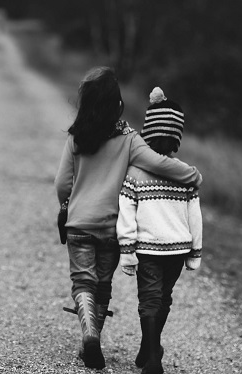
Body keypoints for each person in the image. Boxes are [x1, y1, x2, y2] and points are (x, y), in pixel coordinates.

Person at [54, 68, 202, 370]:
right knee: (103, 285)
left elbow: (61, 184)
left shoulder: (76, 138)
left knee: (83, 281)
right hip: (111, 227)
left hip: (79, 224)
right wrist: (192, 175)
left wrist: (67, 205)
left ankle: (90, 334)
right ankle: (95, 337)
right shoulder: (129, 139)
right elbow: (159, 163)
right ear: (117, 104)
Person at [116, 87, 203, 374]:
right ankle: (150, 348)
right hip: (177, 250)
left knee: (149, 300)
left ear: (147, 134)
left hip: (148, 250)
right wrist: (195, 252)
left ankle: (152, 356)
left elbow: (126, 213)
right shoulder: (184, 174)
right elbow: (195, 215)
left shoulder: (135, 173)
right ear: (176, 138)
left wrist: (127, 251)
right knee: (163, 298)